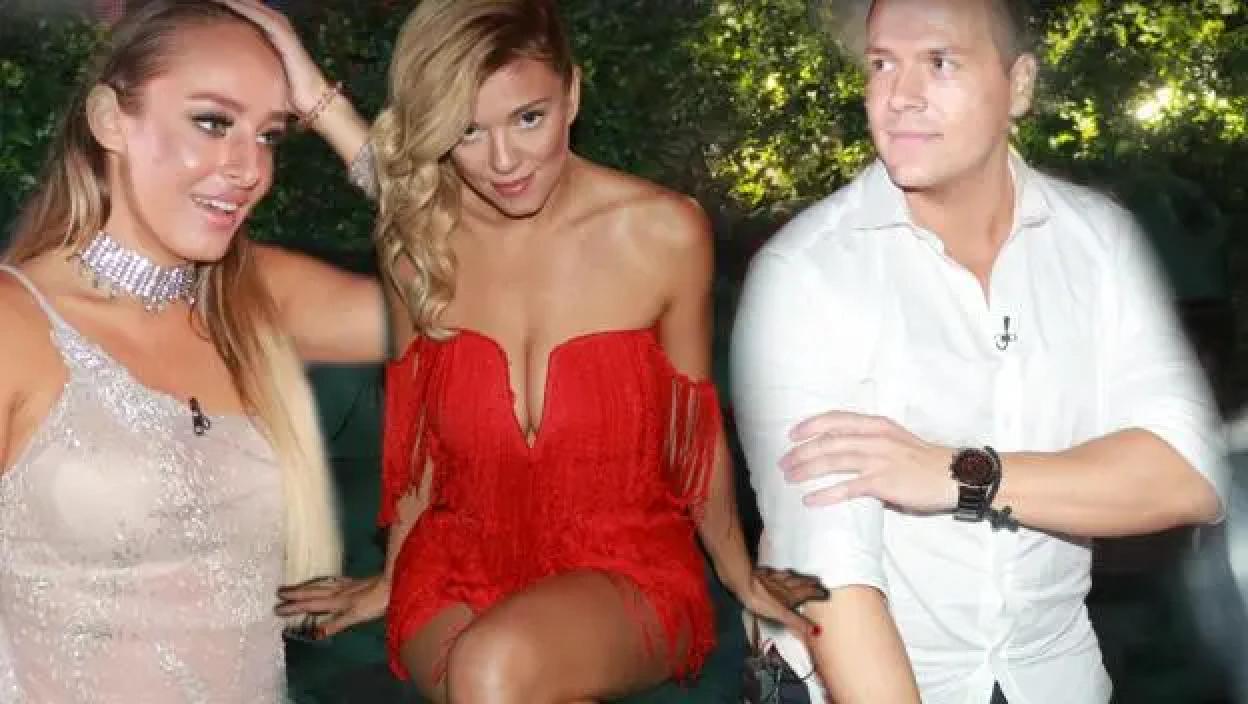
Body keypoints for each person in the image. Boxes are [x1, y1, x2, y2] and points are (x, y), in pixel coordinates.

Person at [230, 0, 830, 701]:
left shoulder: (661, 233)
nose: (504, 161)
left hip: (623, 564)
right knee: (486, 679)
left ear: (571, 94)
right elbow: (420, 439)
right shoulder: (419, 246)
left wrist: (738, 573)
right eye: (467, 130)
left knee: (488, 671)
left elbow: (691, 435)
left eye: (528, 118)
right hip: (455, 560)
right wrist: (393, 579)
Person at [730, 0, 1229, 703]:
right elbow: (828, 582)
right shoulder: (806, 272)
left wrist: (959, 473)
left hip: (1053, 674)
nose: (900, 96)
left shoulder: (1098, 243)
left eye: (940, 62)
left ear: (1017, 85)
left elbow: (1189, 475)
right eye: (882, 64)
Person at [0, 1, 385, 701]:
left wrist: (321, 102)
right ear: (110, 120)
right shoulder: (14, 326)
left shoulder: (261, 297)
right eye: (212, 122)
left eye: (269, 134)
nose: (249, 169)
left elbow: (485, 289)